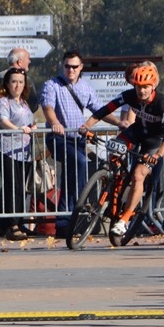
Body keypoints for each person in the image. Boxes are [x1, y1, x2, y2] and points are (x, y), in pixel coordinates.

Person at [78, 64, 164, 239]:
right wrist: (87, 126)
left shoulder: (162, 102)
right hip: (136, 132)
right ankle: (112, 181)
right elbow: (106, 109)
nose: (141, 91)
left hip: (155, 140)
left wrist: (158, 155)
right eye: (138, 86)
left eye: (145, 87)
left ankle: (124, 220)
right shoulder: (130, 95)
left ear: (153, 86)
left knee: (138, 175)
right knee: (113, 151)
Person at [41, 50, 109, 235]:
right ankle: (77, 208)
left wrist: (120, 122)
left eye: (74, 67)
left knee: (71, 176)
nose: (70, 70)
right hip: (58, 138)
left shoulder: (85, 87)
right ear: (62, 66)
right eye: (67, 66)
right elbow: (47, 106)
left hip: (77, 140)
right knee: (80, 162)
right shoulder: (52, 85)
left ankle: (65, 222)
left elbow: (100, 109)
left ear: (81, 67)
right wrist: (54, 123)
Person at [0, 67, 37, 242]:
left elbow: (29, 121)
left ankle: (13, 222)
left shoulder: (24, 103)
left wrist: (32, 127)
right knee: (13, 186)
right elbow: (2, 120)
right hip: (7, 149)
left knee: (20, 188)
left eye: (20, 82)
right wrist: (18, 129)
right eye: (14, 82)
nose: (17, 85)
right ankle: (12, 225)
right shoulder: (3, 102)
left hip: (24, 151)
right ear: (7, 84)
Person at [0, 47, 38, 117]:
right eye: (28, 58)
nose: (29, 61)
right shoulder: (26, 80)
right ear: (19, 62)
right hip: (20, 122)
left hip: (1, 121)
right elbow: (33, 105)